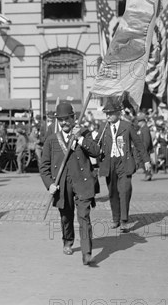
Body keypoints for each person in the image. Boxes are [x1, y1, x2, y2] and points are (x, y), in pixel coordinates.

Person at [40, 102, 101, 266]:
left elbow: (96, 152)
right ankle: (68, 241)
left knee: (84, 217)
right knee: (66, 217)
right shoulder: (52, 140)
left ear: (74, 118)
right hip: (62, 185)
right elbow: (44, 166)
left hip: (82, 182)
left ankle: (87, 253)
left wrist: (80, 138)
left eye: (67, 119)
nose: (64, 122)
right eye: (61, 120)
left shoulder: (85, 134)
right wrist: (49, 184)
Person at [98, 98, 151, 232]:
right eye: (106, 113)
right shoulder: (103, 128)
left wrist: (146, 160)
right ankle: (115, 219)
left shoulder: (127, 127)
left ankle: (124, 220)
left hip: (124, 163)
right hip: (109, 164)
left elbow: (139, 144)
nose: (108, 116)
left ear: (119, 113)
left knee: (125, 191)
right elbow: (94, 144)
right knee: (113, 193)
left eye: (111, 113)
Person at [134, 114, 154, 181]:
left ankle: (148, 174)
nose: (138, 123)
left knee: (145, 162)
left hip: (144, 149)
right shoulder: (142, 129)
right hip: (142, 149)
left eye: (139, 121)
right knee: (143, 162)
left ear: (143, 121)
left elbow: (146, 141)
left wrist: (144, 149)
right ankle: (148, 174)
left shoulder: (145, 129)